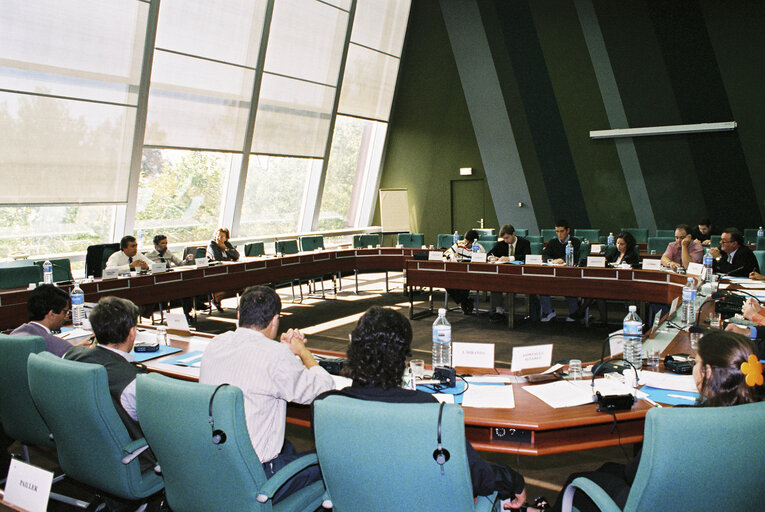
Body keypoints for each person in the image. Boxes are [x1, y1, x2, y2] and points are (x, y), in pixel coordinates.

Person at [313, 306, 531, 509]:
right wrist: (514, 480)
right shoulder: (426, 411)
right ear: (401, 358)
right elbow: (473, 475)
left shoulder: (327, 404)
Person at [549, 331, 763, 512]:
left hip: (665, 505)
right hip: (724, 499)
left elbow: (634, 473)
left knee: (577, 480)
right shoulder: (754, 415)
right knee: (607, 468)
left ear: (706, 372)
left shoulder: (678, 422)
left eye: (695, 362)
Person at [199, 285, 334, 504]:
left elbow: (260, 361)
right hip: (257, 476)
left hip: (215, 466)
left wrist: (283, 354)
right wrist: (301, 352)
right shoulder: (276, 356)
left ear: (239, 316)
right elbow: (323, 388)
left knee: (288, 446)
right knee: (330, 464)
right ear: (275, 321)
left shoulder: (216, 343)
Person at [64, 296, 154, 470]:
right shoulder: (133, 383)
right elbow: (159, 427)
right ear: (132, 332)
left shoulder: (70, 356)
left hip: (82, 451)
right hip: (128, 462)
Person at [572, 232, 640, 326]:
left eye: (622, 244)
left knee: (597, 290)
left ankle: (581, 312)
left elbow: (634, 268)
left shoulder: (632, 255)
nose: (618, 246)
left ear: (628, 244)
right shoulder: (615, 252)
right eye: (617, 243)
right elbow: (605, 261)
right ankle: (603, 321)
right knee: (598, 290)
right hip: (610, 282)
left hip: (624, 284)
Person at [11, 284, 80, 357]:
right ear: (52, 314)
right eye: (65, 312)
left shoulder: (14, 335)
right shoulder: (58, 346)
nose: (66, 317)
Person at [487, 224, 531, 323]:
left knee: (509, 286)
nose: (506, 240)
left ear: (513, 234)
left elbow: (526, 257)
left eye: (507, 237)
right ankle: (499, 311)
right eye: (504, 238)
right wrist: (491, 257)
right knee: (494, 283)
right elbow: (489, 254)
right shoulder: (502, 244)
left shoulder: (524, 243)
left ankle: (507, 309)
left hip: (519, 274)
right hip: (504, 274)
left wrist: (510, 258)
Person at [540, 220, 581, 322]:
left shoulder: (575, 242)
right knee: (541, 286)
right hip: (553, 273)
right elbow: (544, 255)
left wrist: (562, 259)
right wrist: (552, 260)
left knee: (569, 286)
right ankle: (549, 312)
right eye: (557, 231)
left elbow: (576, 257)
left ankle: (574, 313)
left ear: (568, 230)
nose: (559, 234)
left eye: (561, 231)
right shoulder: (553, 242)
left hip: (569, 275)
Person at [444, 229, 485, 314]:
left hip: (471, 274)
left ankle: (464, 302)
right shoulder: (459, 244)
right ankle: (465, 301)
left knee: (465, 282)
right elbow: (446, 253)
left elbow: (483, 261)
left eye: (469, 243)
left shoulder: (478, 247)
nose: (466, 244)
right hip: (457, 272)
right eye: (465, 241)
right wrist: (452, 255)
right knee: (446, 281)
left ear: (474, 242)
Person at [206, 227, 240, 311]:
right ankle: (217, 298)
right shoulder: (212, 244)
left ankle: (218, 298)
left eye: (222, 236)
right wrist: (230, 259)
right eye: (218, 236)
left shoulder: (227, 244)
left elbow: (236, 255)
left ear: (226, 238)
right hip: (215, 272)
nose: (219, 238)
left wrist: (226, 248)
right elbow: (217, 258)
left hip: (227, 271)